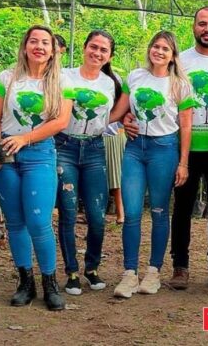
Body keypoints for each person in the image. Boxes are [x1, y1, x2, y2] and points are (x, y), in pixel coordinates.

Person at [125, 6, 208, 290]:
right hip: (183, 149)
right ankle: (179, 266)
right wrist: (128, 116)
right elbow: (152, 91)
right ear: (193, 27)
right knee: (181, 208)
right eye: (202, 24)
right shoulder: (179, 62)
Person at [0, 25, 72, 311]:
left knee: (39, 221)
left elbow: (60, 122)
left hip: (39, 153)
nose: (39, 46)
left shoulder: (61, 81)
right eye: (33, 41)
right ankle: (26, 282)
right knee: (15, 222)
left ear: (52, 50)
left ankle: (50, 283)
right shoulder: (6, 78)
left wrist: (25, 138)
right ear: (25, 46)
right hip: (7, 155)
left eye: (45, 42)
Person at [111, 30, 194, 298]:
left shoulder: (180, 84)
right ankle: (129, 273)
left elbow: (186, 126)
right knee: (132, 212)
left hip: (164, 149)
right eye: (155, 47)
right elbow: (120, 110)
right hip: (135, 148)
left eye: (165, 49)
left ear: (172, 56)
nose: (159, 52)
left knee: (159, 210)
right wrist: (121, 120)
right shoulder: (135, 76)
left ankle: (154, 271)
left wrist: (183, 163)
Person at [56, 30, 121, 295]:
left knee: (97, 216)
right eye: (93, 47)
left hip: (95, 148)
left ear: (109, 56)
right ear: (84, 48)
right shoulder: (64, 76)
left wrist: (123, 123)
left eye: (103, 50)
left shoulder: (111, 83)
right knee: (68, 213)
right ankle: (71, 272)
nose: (97, 53)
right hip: (65, 146)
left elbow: (116, 115)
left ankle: (91, 269)